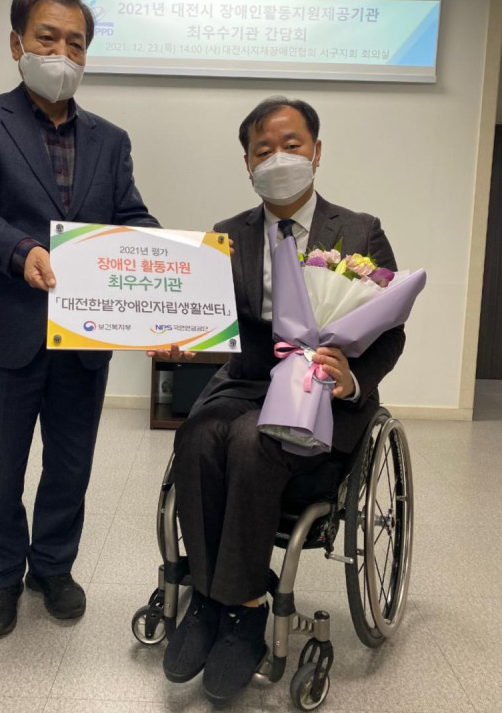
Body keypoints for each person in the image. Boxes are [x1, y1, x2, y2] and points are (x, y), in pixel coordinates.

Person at [162, 97, 405, 702]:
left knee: (252, 443)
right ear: (247, 163)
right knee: (196, 436)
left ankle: (241, 608)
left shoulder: (360, 231)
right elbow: (209, 318)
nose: (278, 158)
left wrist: (352, 377)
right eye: (262, 149)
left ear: (316, 152)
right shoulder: (227, 234)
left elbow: (391, 330)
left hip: (321, 391)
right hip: (246, 380)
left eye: (291, 145)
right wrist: (177, 334)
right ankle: (206, 600)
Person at [0, 0, 160, 638]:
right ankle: (0, 577)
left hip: (84, 334)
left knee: (70, 466)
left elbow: (129, 218)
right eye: (48, 38)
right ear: (18, 44)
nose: (62, 53)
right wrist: (22, 250)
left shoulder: (110, 140)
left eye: (76, 43)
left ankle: (53, 568)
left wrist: (174, 267)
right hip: (5, 326)